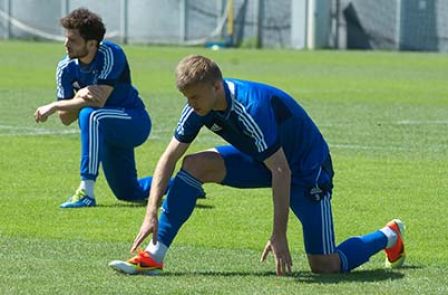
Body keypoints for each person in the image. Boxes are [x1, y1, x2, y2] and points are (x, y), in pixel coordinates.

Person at [109, 55, 405, 275]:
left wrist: (279, 234)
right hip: (263, 158)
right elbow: (169, 157)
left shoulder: (250, 108)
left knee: (324, 265)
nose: (191, 103)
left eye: (195, 96)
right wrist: (151, 213)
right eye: (187, 97)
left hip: (305, 169)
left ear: (216, 86)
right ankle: (154, 255)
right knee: (195, 165)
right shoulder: (199, 105)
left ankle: (389, 235)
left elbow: (282, 170)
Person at [34, 8, 157, 208]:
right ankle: (182, 185)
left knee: (91, 115)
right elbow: (66, 119)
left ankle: (86, 192)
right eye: (67, 38)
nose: (66, 44)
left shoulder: (111, 53)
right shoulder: (65, 68)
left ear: (92, 44)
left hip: (133, 121)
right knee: (129, 192)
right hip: (105, 133)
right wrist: (78, 96)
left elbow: (98, 101)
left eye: (73, 40)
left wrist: (56, 105)